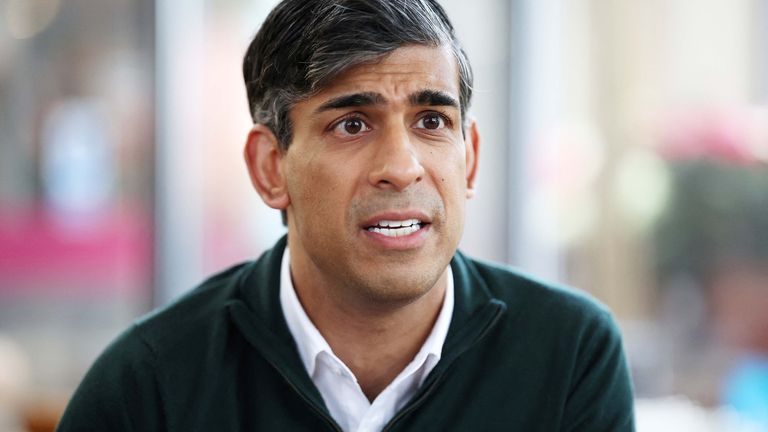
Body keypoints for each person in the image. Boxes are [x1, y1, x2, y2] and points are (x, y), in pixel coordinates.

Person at [58, 1, 635, 431]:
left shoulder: (568, 353)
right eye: (351, 124)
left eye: (432, 121)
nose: (401, 168)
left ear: (471, 159)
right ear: (271, 167)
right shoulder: (150, 385)